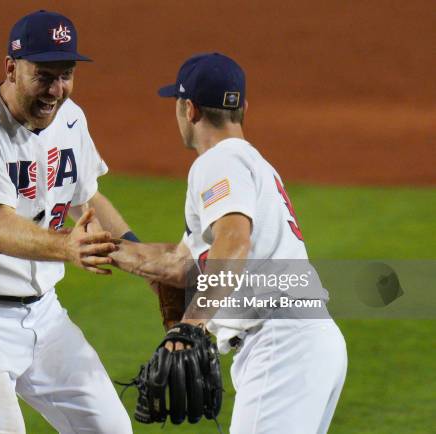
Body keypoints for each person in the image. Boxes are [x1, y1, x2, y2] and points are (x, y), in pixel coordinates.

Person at [0, 10, 134, 434]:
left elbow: (87, 198)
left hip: (43, 314)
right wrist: (68, 247)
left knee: (110, 429)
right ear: (11, 69)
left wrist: (141, 258)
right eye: (44, 75)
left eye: (66, 75)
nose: (56, 90)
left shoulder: (72, 119)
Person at [110, 53, 347, 433]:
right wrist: (102, 249)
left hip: (282, 343)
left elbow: (235, 241)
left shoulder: (218, 162)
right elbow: (177, 263)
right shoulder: (250, 164)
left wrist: (192, 325)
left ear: (189, 110)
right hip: (305, 339)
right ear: (243, 109)